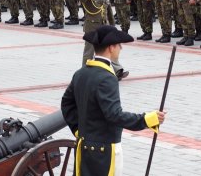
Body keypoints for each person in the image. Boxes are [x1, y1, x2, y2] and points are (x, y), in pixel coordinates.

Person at [61, 25, 166, 176]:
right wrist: (147, 119)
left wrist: (78, 129)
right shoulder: (107, 78)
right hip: (104, 151)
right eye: (118, 45)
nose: (120, 48)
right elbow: (114, 115)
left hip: (83, 145)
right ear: (111, 47)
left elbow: (66, 103)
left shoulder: (81, 73)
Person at [79, 0, 128, 80]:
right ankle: (84, 73)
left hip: (104, 25)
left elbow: (108, 9)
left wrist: (112, 25)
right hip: (92, 26)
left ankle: (117, 71)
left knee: (110, 48)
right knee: (89, 51)